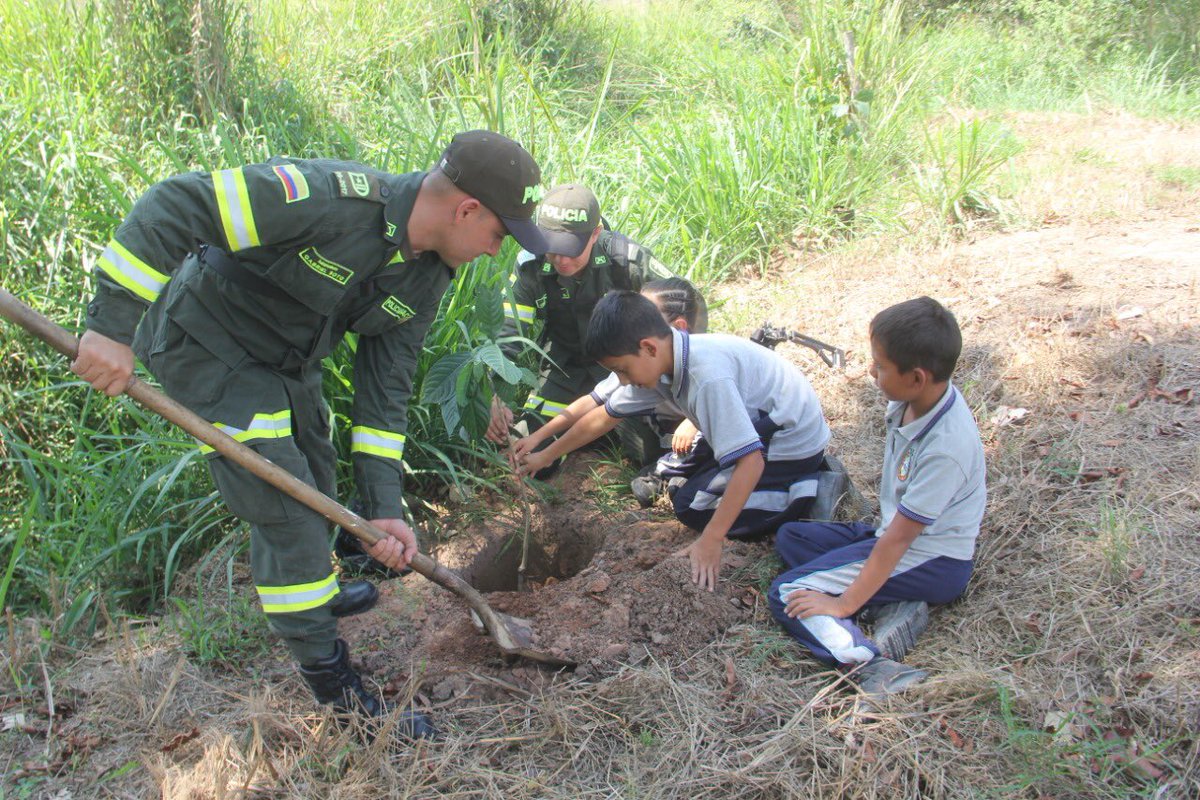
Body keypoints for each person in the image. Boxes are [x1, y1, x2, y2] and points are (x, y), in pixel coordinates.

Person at [70, 130, 547, 739]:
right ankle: (332, 682)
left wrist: (382, 509)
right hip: (206, 342)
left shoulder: (428, 275)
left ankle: (314, 589)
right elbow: (174, 205)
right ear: (467, 209)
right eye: (498, 235)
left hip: (287, 360)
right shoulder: (328, 199)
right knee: (290, 501)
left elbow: (385, 389)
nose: (494, 251)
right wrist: (111, 325)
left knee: (318, 475)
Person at [514, 290, 831, 591]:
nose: (623, 381)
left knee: (691, 505)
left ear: (649, 347)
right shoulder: (663, 362)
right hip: (756, 422)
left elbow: (751, 461)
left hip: (789, 441)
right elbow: (603, 416)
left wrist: (712, 538)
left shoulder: (705, 377)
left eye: (622, 371)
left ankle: (802, 490)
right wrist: (546, 455)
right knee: (676, 476)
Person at [768, 297, 985, 699]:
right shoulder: (910, 402)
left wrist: (844, 603)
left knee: (786, 592)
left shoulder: (946, 448)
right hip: (894, 535)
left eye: (881, 366)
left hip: (933, 559)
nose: (872, 370)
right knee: (792, 538)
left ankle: (872, 665)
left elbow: (898, 542)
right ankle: (890, 600)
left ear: (917, 377)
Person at [484, 183, 674, 471]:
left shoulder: (627, 260)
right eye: (551, 248)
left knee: (650, 449)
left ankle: (601, 431)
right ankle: (588, 431)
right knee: (523, 450)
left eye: (570, 249)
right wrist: (492, 396)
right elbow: (509, 336)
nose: (560, 259)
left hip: (625, 370)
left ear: (595, 233)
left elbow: (682, 310)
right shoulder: (530, 266)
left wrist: (667, 381)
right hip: (565, 367)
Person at [509, 277, 709, 501]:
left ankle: (678, 471)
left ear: (678, 327)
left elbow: (724, 404)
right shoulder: (647, 370)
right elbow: (598, 409)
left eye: (647, 315)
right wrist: (540, 442)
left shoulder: (701, 362)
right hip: (664, 431)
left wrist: (692, 422)